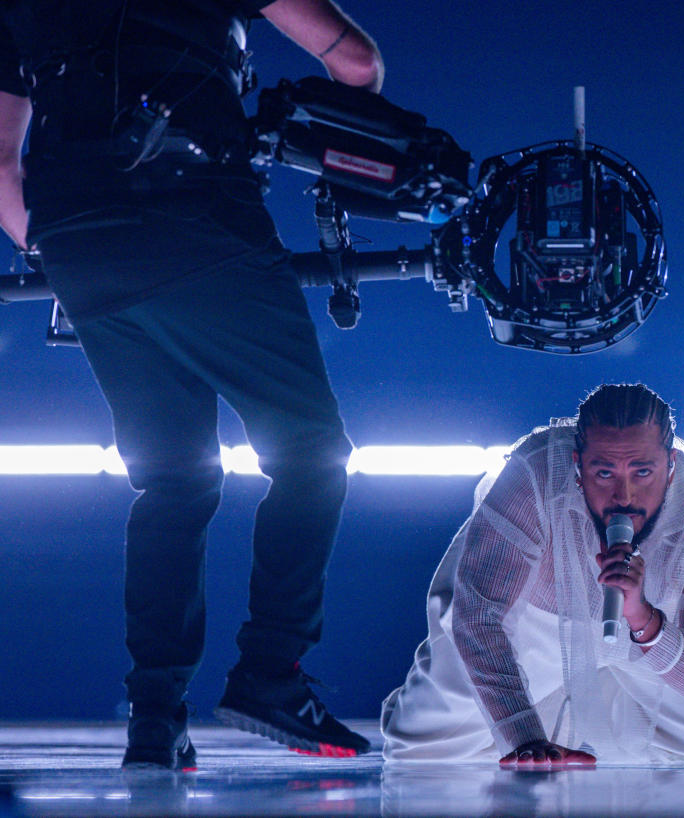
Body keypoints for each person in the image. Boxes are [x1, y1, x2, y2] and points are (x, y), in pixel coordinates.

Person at [0, 0, 384, 769]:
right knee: (310, 453)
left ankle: (155, 719)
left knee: (172, 481)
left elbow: (0, 163)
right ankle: (271, 675)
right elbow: (356, 64)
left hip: (76, 239)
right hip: (198, 217)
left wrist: (60, 247)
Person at [382, 383, 684, 767]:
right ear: (578, 466)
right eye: (604, 472)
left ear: (672, 466)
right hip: (532, 621)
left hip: (657, 628)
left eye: (643, 471)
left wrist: (642, 617)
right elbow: (479, 617)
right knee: (422, 745)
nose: (624, 495)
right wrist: (526, 737)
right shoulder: (534, 474)